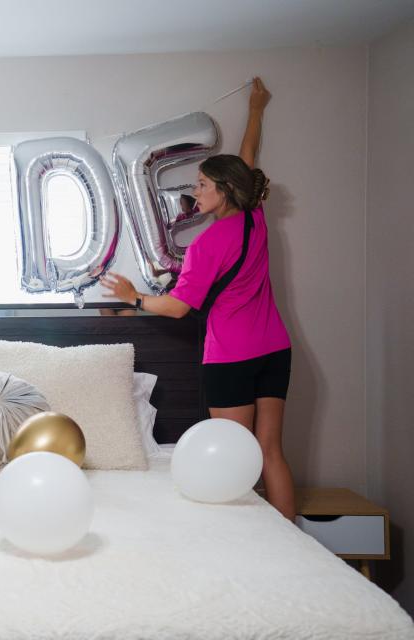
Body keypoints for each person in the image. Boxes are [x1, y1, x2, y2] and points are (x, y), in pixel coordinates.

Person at [102, 77, 295, 521]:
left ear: (225, 190)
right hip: (276, 349)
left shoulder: (208, 246)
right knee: (271, 452)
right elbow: (246, 161)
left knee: (233, 457)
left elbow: (178, 307)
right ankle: (293, 540)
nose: (195, 191)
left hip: (231, 357)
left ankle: (245, 540)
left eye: (203, 185)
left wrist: (134, 298)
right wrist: (257, 110)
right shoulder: (254, 217)